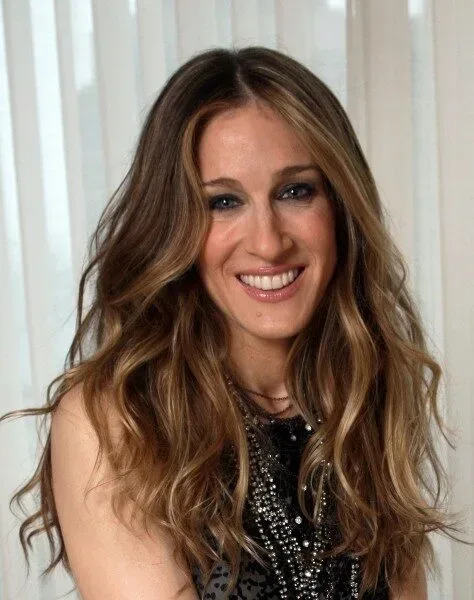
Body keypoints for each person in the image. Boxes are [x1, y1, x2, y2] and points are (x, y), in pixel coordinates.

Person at [1, 46, 453, 599]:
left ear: (340, 207)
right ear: (175, 225)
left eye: (295, 191)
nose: (268, 242)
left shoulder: (363, 391)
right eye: (223, 202)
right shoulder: (117, 422)